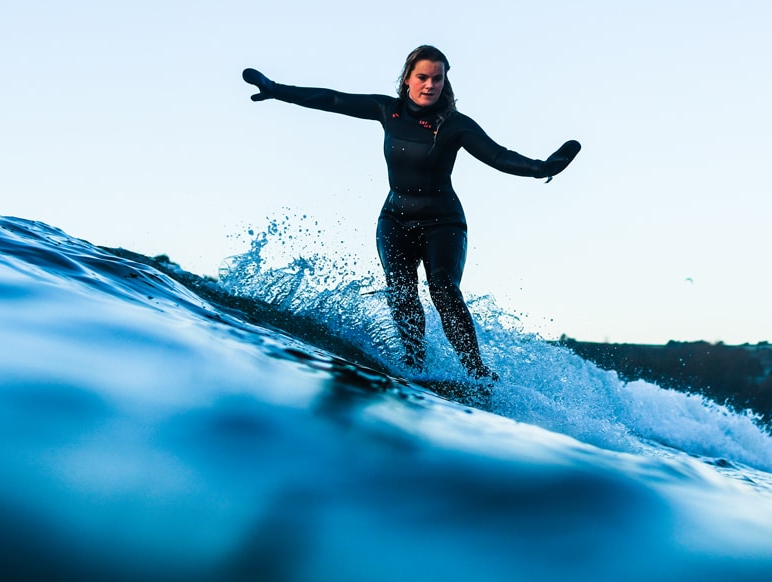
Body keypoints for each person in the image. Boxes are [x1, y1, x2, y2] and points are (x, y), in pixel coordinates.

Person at [242, 45, 580, 380]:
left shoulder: (455, 125)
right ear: (407, 79)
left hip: (443, 223)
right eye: (422, 77)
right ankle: (415, 364)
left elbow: (499, 155)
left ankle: (477, 371)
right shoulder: (386, 110)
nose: (430, 84)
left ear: (445, 82)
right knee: (401, 290)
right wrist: (275, 90)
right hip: (395, 219)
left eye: (437, 78)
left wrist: (541, 168)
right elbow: (332, 99)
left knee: (444, 290)